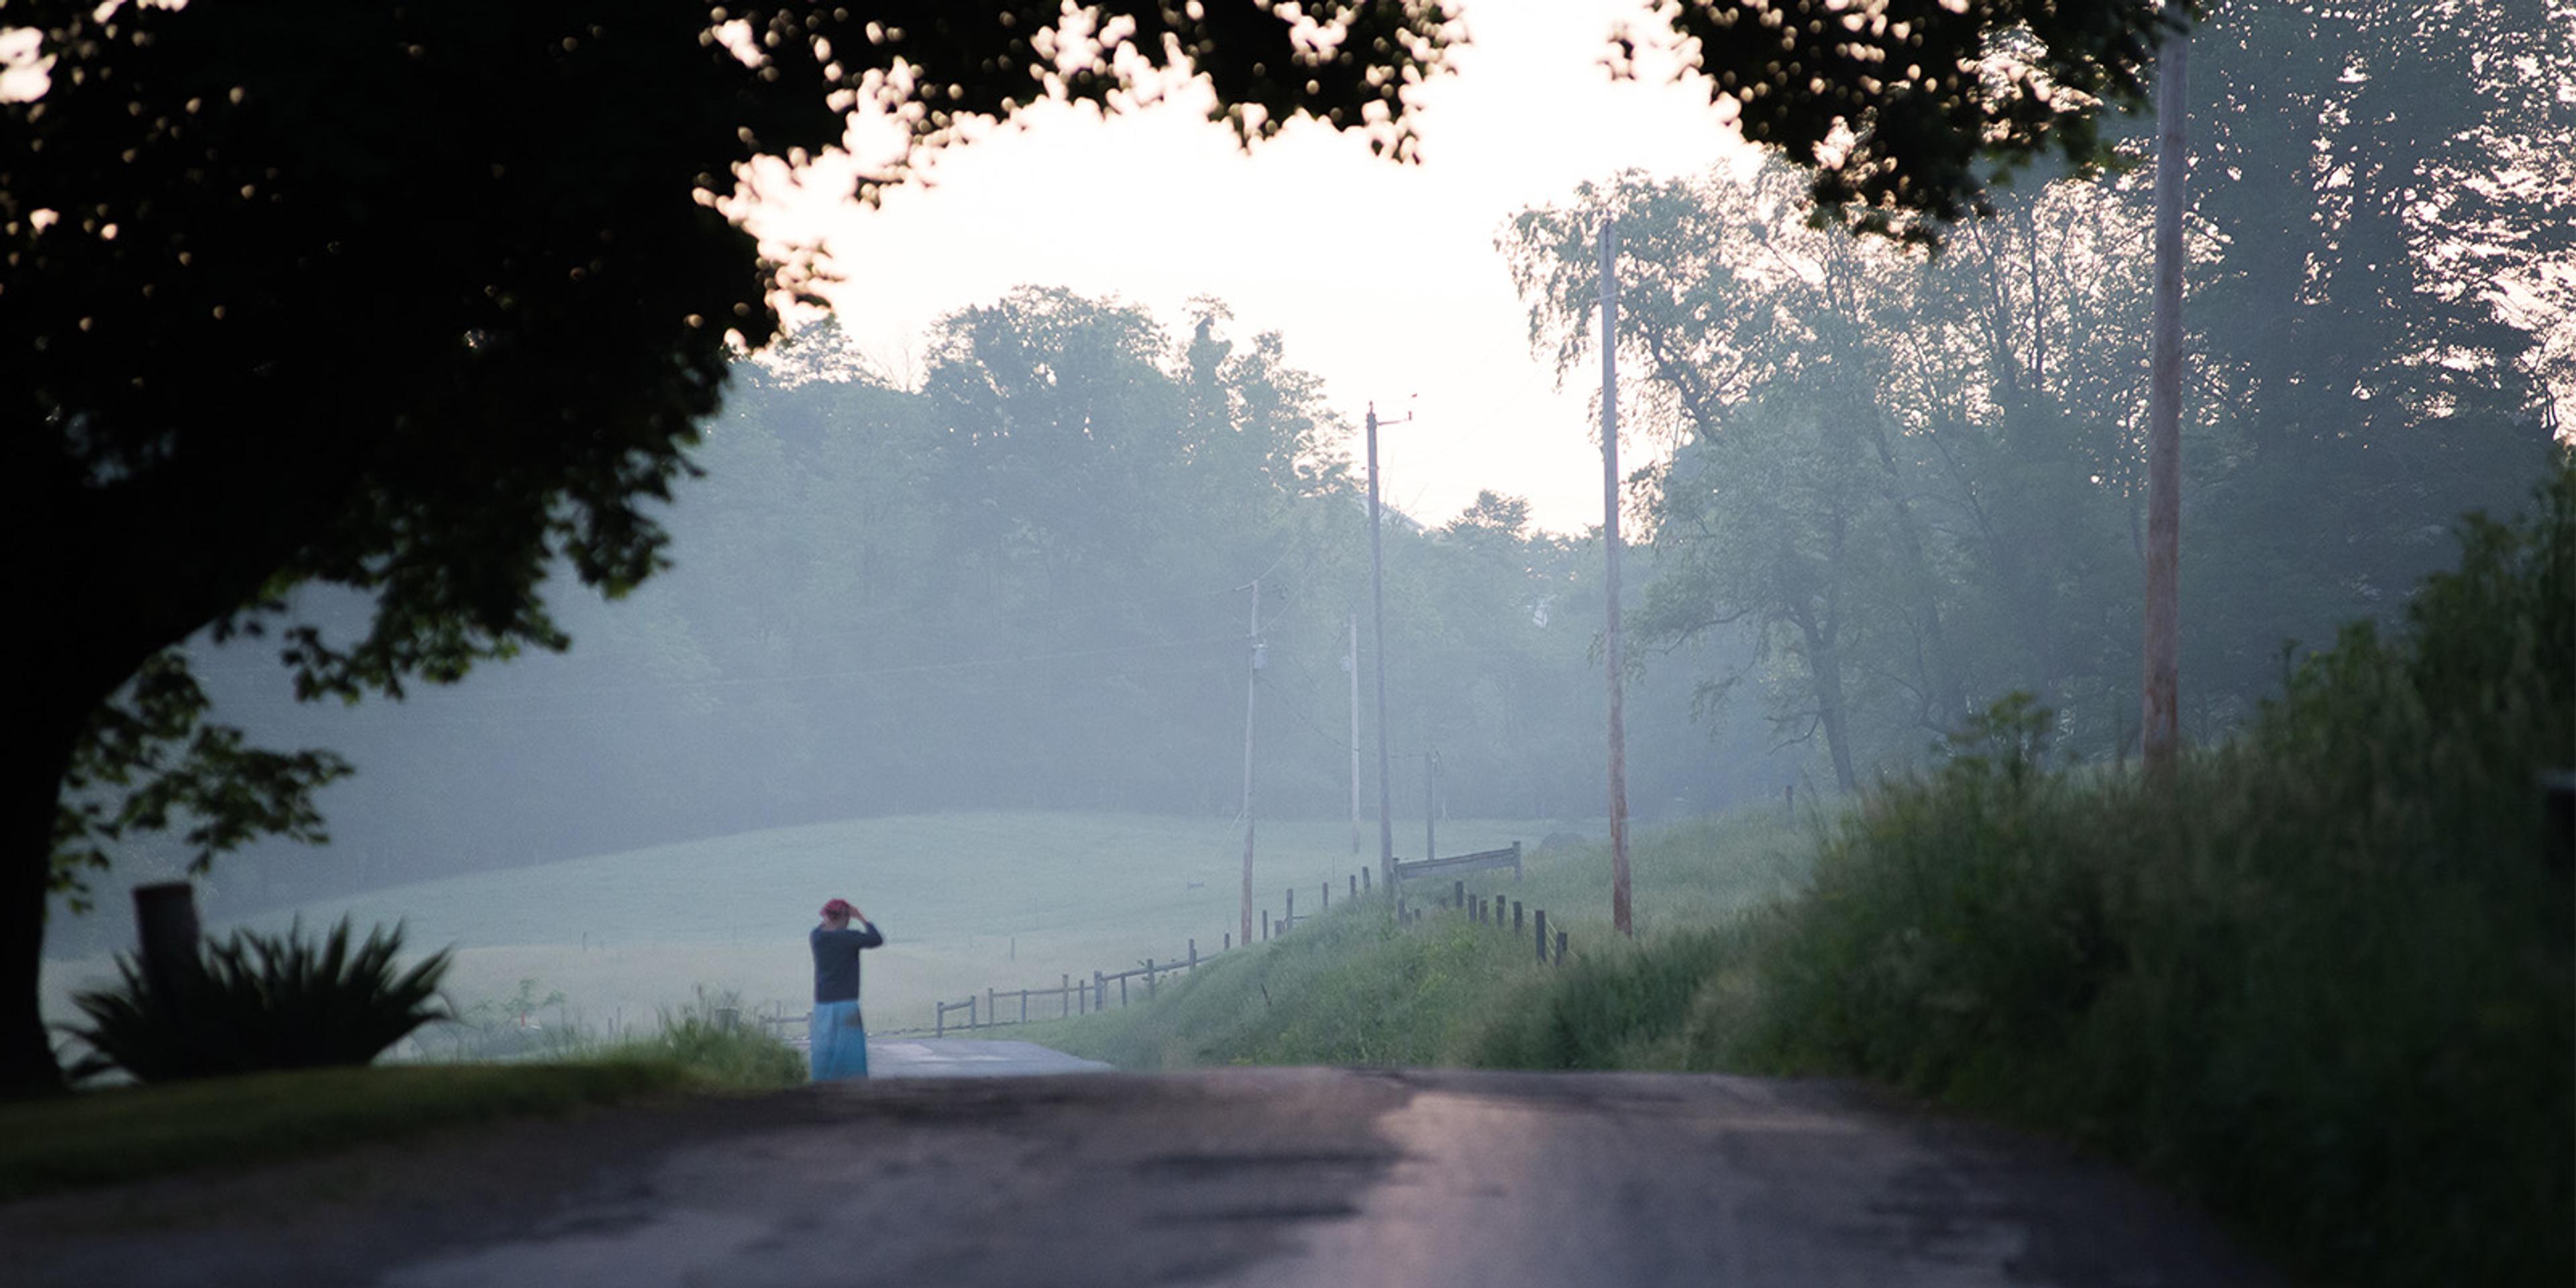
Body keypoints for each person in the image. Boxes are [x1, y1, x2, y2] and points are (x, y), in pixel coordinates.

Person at [808, 897, 883, 1081]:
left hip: (823, 1002)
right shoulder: (849, 938)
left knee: (824, 1050)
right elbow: (877, 939)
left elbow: (821, 927)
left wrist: (830, 917)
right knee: (850, 1052)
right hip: (847, 1003)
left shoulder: (817, 938)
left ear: (827, 916)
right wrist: (862, 918)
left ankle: (822, 1087)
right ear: (845, 917)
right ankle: (851, 1088)